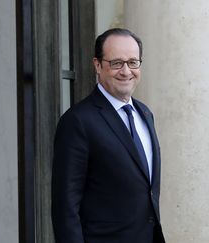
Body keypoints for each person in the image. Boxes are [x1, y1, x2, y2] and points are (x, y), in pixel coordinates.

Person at [51, 28, 166, 243]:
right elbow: (65, 207)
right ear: (97, 65)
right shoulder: (78, 121)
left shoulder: (145, 114)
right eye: (116, 63)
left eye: (133, 62)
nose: (126, 71)